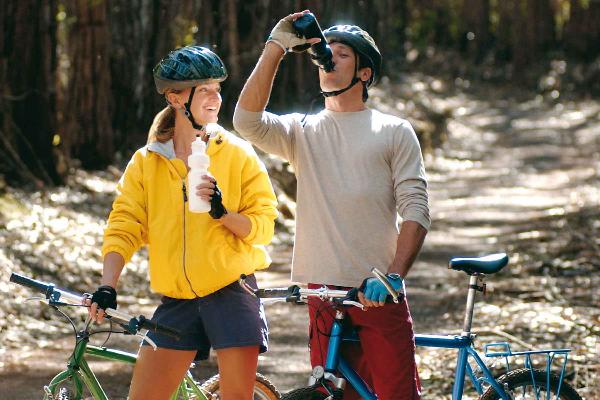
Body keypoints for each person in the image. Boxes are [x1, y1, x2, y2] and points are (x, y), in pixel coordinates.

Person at [233, 11, 429, 400]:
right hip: (323, 295)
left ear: (365, 74)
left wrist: (393, 277)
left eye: (341, 55)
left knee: (396, 395)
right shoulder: (302, 131)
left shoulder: (393, 131)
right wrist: (276, 47)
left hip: (378, 292)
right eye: (326, 53)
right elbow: (246, 121)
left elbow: (416, 210)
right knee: (335, 395)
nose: (328, 59)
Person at [86, 46, 278, 400]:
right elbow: (124, 226)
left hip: (231, 293)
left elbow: (264, 226)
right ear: (175, 97)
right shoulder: (147, 163)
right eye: (204, 89)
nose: (215, 97)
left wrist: (224, 215)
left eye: (217, 88)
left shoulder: (237, 154)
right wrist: (107, 285)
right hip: (177, 300)